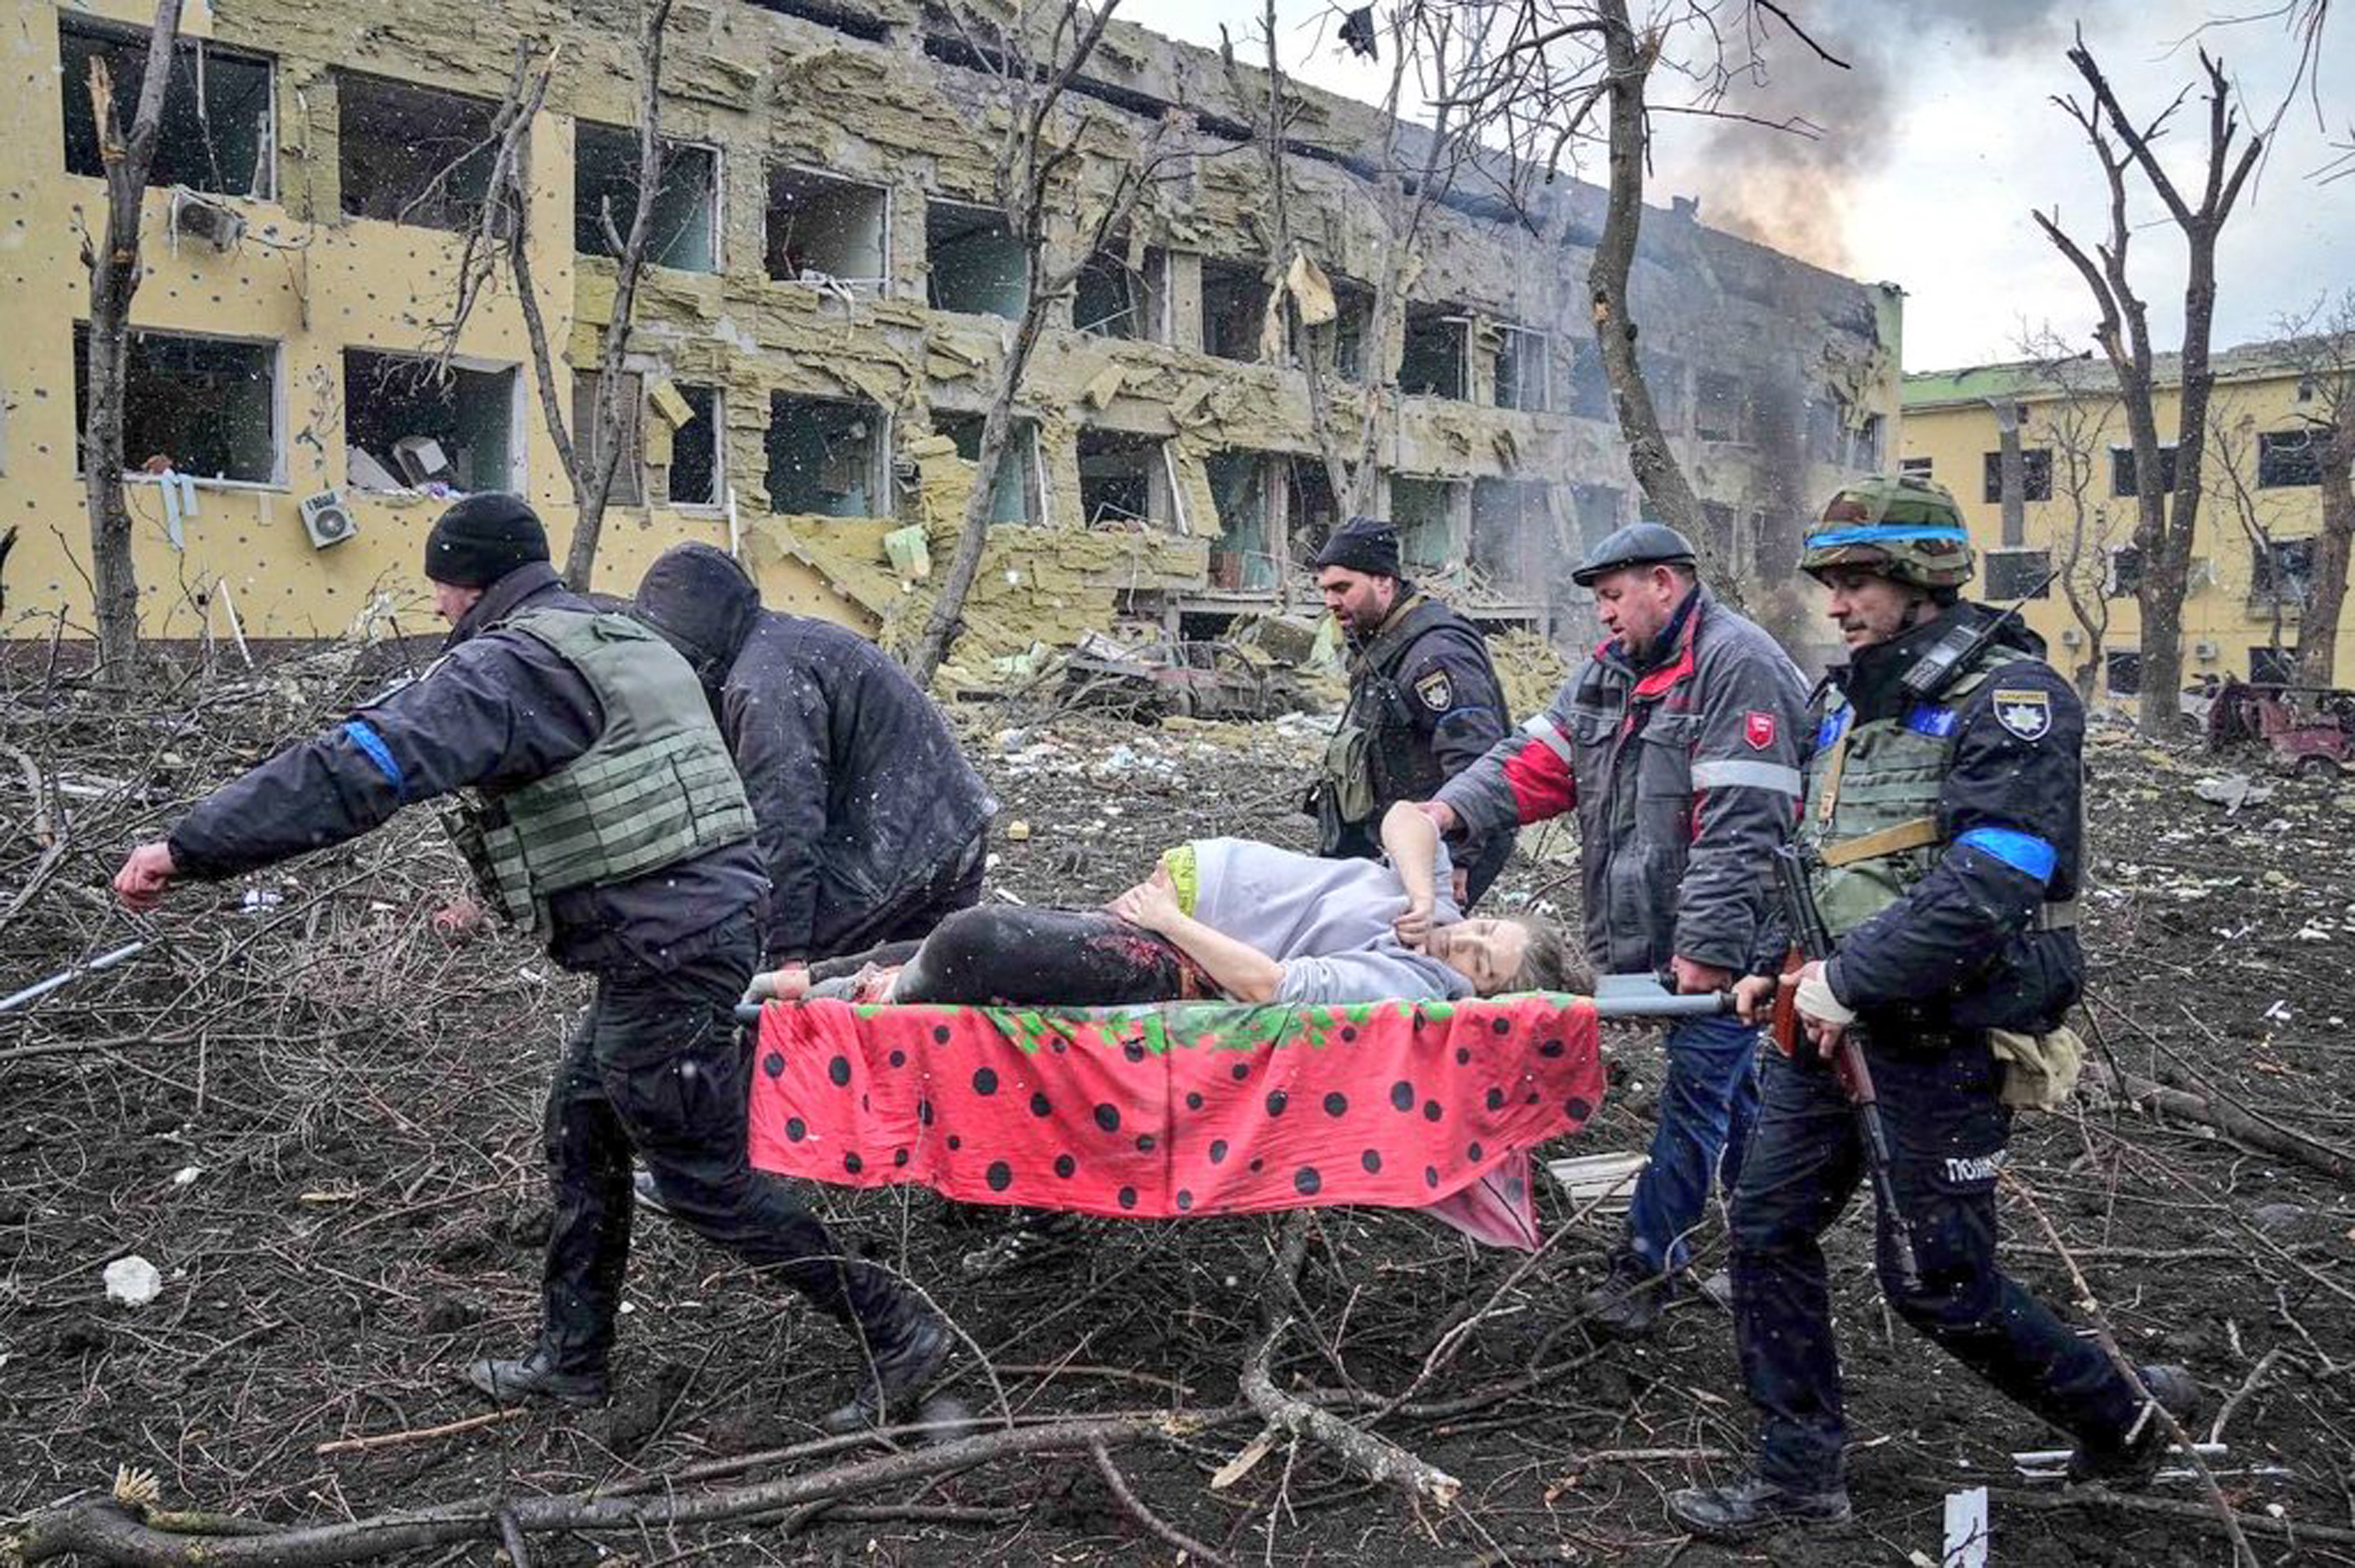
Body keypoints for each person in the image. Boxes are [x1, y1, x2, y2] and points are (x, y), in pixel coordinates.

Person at [110, 494, 948, 1434]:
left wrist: (190, 849)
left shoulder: (509, 669)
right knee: (583, 1126)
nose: (434, 610)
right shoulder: (614, 631)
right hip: (691, 927)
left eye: (438, 587)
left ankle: (897, 1327)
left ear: (467, 583)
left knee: (701, 1176)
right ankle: (570, 1362)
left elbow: (358, 768)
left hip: (667, 944)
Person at [1667, 476, 2200, 1537]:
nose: (1838, 600)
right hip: (1823, 1025)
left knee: (1938, 1282)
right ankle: (1798, 1478)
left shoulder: (2013, 698)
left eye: (1857, 578)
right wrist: (1782, 964)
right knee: (1765, 1226)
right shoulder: (1847, 697)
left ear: (1921, 578)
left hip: (1938, 1032)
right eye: (1831, 579)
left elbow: (1995, 876)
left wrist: (1848, 980)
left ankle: (2126, 1419)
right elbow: (1826, 860)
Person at [1418, 521, 1808, 1336]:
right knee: (1732, 1091)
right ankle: (1767, 1236)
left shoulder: (1740, 667)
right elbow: (1533, 763)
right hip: (1656, 935)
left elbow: (1745, 827)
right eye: (1598, 600)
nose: (1602, 615)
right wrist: (1448, 812)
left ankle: (1646, 1263)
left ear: (1665, 584)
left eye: (1613, 596)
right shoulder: (1609, 675)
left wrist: (1706, 950)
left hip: (1734, 939)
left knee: (1699, 1092)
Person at [782, 802, 1571, 1008]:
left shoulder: (1411, 986)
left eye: (1480, 965)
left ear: (1478, 998)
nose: (1462, 943)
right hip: (1174, 908)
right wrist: (1429, 892)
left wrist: (1169, 920)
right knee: (950, 943)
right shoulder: (1427, 909)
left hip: (1181, 952)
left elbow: (1269, 986)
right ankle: (786, 984)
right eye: (1484, 930)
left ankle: (847, 1002)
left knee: (974, 940)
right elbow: (1408, 818)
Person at [633, 543, 996, 970]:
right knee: (908, 1001)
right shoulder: (780, 645)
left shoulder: (765, 682)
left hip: (903, 846)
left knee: (765, 981)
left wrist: (785, 951)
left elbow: (786, 820)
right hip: (949, 826)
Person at [1304, 516, 1517, 906]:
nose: (1330, 602)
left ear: (1384, 581)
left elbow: (1475, 758)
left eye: (1342, 588)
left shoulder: (1435, 655)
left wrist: (1457, 856)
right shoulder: (1384, 644)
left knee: (1419, 952)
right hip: (1402, 840)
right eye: (1325, 590)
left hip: (1439, 845)